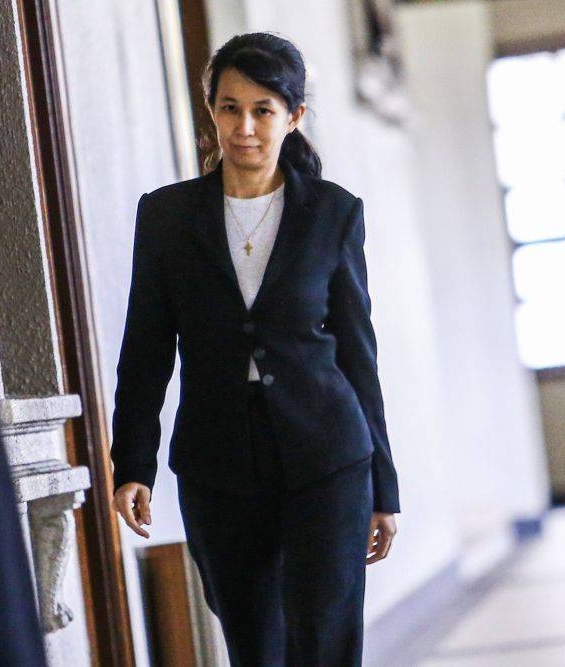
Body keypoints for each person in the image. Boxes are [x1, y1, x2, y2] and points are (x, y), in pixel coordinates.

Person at [110, 32, 400, 666]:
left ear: (292, 118)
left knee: (323, 641)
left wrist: (384, 484)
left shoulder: (332, 214)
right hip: (218, 466)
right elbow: (147, 347)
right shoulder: (166, 217)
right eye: (229, 107)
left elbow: (358, 354)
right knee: (254, 646)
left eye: (263, 110)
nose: (244, 127)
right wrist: (132, 461)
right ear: (211, 111)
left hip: (327, 457)